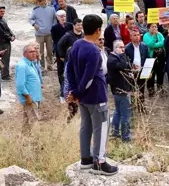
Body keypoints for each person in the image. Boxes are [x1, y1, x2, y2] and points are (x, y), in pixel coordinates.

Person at [66, 14, 118, 175]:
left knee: (86, 126)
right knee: (102, 127)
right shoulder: (94, 51)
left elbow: (69, 70)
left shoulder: (76, 44)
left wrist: (73, 92)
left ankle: (86, 159)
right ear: (98, 30)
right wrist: (76, 92)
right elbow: (88, 78)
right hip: (95, 95)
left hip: (83, 98)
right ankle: (100, 162)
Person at [107, 40, 133, 142]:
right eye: (121, 47)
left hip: (120, 89)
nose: (123, 49)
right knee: (125, 115)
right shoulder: (112, 59)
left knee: (118, 112)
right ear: (115, 48)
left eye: (124, 47)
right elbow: (122, 66)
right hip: (121, 91)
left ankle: (115, 132)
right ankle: (126, 137)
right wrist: (123, 55)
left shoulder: (117, 57)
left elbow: (125, 67)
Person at [15, 44, 43, 128]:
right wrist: (27, 97)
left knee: (27, 122)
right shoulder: (22, 66)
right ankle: (35, 139)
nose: (34, 53)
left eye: (34, 51)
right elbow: (20, 85)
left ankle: (25, 139)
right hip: (30, 99)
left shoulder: (30, 63)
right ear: (24, 54)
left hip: (34, 97)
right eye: (31, 52)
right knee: (34, 121)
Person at [57, 19, 84, 101]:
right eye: (78, 25)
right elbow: (59, 44)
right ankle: (63, 95)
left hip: (79, 61)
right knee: (66, 78)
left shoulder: (83, 35)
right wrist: (61, 56)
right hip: (69, 60)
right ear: (74, 26)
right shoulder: (68, 35)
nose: (80, 27)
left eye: (81, 25)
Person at [30, 0, 57, 70]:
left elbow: (55, 19)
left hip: (49, 34)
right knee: (39, 51)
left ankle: (50, 65)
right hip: (39, 34)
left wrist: (53, 27)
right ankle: (41, 66)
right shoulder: (35, 10)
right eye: (38, 0)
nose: (39, 2)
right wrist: (34, 24)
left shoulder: (51, 9)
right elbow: (30, 19)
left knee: (50, 50)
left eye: (40, 0)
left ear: (45, 1)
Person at [126, 30, 149, 114]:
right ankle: (132, 107)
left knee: (141, 90)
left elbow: (147, 58)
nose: (137, 36)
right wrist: (131, 66)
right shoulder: (127, 47)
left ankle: (141, 107)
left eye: (138, 35)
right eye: (134, 35)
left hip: (142, 71)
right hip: (132, 72)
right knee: (132, 90)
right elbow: (125, 61)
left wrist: (148, 71)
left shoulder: (144, 46)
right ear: (131, 37)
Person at [0, 6, 15, 81]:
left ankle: (6, 74)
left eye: (3, 11)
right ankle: (5, 75)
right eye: (1, 11)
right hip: (3, 43)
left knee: (7, 58)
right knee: (5, 59)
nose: (3, 13)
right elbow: (1, 33)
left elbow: (7, 29)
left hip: (7, 41)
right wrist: (10, 37)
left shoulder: (2, 19)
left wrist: (12, 35)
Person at [143, 23, 166, 96]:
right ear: (148, 28)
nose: (154, 28)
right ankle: (151, 91)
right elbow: (150, 44)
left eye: (155, 27)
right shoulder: (146, 35)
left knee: (160, 74)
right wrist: (153, 36)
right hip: (151, 57)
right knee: (151, 75)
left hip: (160, 57)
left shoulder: (159, 34)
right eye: (152, 27)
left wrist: (156, 45)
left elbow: (163, 43)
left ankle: (160, 90)